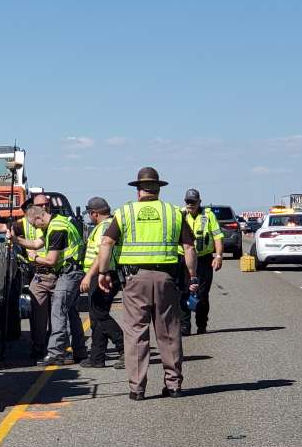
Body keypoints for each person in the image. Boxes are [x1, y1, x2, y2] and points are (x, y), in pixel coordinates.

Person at [89, 167, 197, 400]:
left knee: (136, 333)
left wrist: (104, 273)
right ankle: (174, 385)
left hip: (135, 279)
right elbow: (189, 248)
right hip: (166, 279)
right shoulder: (173, 212)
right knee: (168, 332)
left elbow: (106, 243)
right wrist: (192, 276)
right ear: (158, 189)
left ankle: (137, 388)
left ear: (138, 189)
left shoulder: (125, 212)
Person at [0, 194, 57, 362]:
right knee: (39, 315)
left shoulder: (57, 223)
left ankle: (63, 349)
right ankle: (40, 348)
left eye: (46, 204)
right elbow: (2, 227)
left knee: (60, 315)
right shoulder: (25, 224)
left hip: (60, 273)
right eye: (39, 205)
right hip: (40, 274)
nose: (43, 208)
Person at [10, 202, 86, 366]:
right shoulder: (57, 221)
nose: (36, 228)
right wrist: (17, 240)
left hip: (69, 272)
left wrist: (35, 258)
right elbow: (37, 244)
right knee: (71, 312)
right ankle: (80, 351)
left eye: (34, 224)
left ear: (38, 218)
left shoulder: (56, 229)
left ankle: (56, 353)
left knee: (58, 310)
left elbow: (51, 261)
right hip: (73, 271)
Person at [78, 197, 125, 369]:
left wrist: (89, 275)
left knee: (99, 315)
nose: (89, 217)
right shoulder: (107, 225)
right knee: (96, 316)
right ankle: (97, 357)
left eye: (90, 214)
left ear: (94, 213)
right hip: (102, 274)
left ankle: (125, 349)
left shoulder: (105, 227)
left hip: (103, 275)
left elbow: (101, 255)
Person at [180, 189, 223, 336]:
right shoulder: (180, 215)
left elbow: (217, 236)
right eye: (188, 202)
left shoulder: (208, 215)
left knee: (202, 294)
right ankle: (185, 326)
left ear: (199, 202)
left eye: (193, 202)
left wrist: (218, 256)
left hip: (204, 259)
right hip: (183, 258)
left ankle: (201, 324)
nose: (190, 204)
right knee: (183, 292)